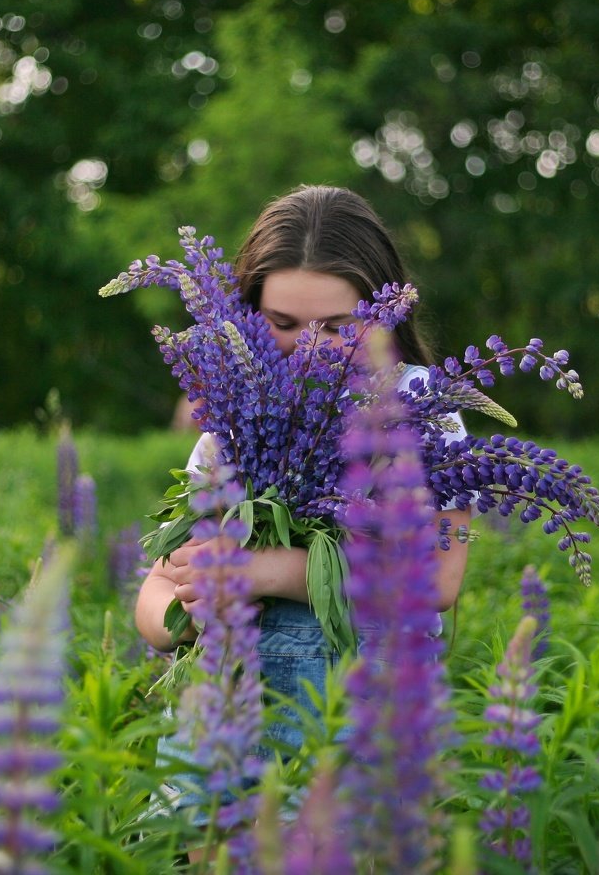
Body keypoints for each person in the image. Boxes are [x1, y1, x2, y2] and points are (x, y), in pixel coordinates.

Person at [135, 184, 471, 837]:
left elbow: (437, 580)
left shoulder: (423, 413)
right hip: (225, 720)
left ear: (383, 317)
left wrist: (268, 571)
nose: (311, 348)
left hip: (360, 719)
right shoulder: (230, 423)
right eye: (283, 324)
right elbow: (159, 587)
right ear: (245, 313)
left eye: (340, 328)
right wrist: (182, 614)